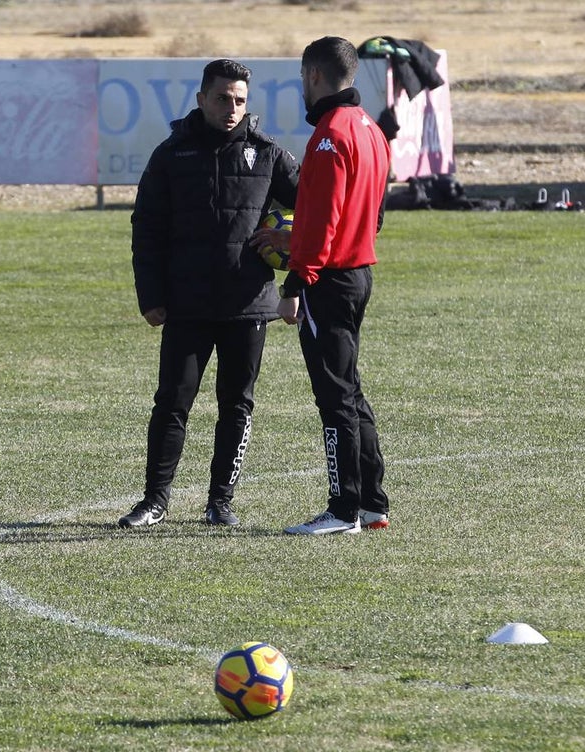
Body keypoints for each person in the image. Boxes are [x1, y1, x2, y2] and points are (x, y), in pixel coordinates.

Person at [119, 59, 300, 529]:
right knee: (172, 403)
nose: (232, 108)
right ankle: (154, 500)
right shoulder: (172, 154)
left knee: (236, 405)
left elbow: (315, 207)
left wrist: (295, 265)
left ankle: (221, 502)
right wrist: (150, 294)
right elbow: (147, 228)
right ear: (201, 99)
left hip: (248, 304)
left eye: (240, 100)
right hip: (187, 303)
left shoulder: (267, 154)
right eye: (222, 98)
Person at [253, 36, 391, 535]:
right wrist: (296, 238)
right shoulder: (371, 129)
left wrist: (296, 281)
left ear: (313, 75)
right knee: (350, 390)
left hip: (328, 280)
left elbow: (323, 218)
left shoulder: (330, 133)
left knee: (333, 397)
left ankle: (342, 510)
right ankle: (373, 504)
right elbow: (370, 213)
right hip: (357, 274)